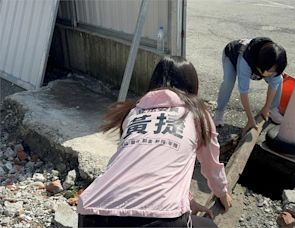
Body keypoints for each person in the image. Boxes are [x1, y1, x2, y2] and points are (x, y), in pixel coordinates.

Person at [78, 56, 232, 227]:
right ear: (192, 86)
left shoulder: (135, 112)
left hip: (92, 212)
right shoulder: (197, 114)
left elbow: (142, 162)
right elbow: (211, 165)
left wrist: (185, 199)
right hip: (159, 220)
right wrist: (222, 193)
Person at [213, 37, 288, 132]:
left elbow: (274, 84)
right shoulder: (246, 61)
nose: (273, 75)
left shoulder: (275, 61)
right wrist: (250, 119)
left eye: (275, 72)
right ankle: (219, 111)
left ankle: (273, 109)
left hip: (259, 65)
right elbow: (243, 92)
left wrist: (267, 107)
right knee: (229, 81)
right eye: (271, 72)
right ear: (261, 66)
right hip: (232, 56)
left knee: (279, 79)